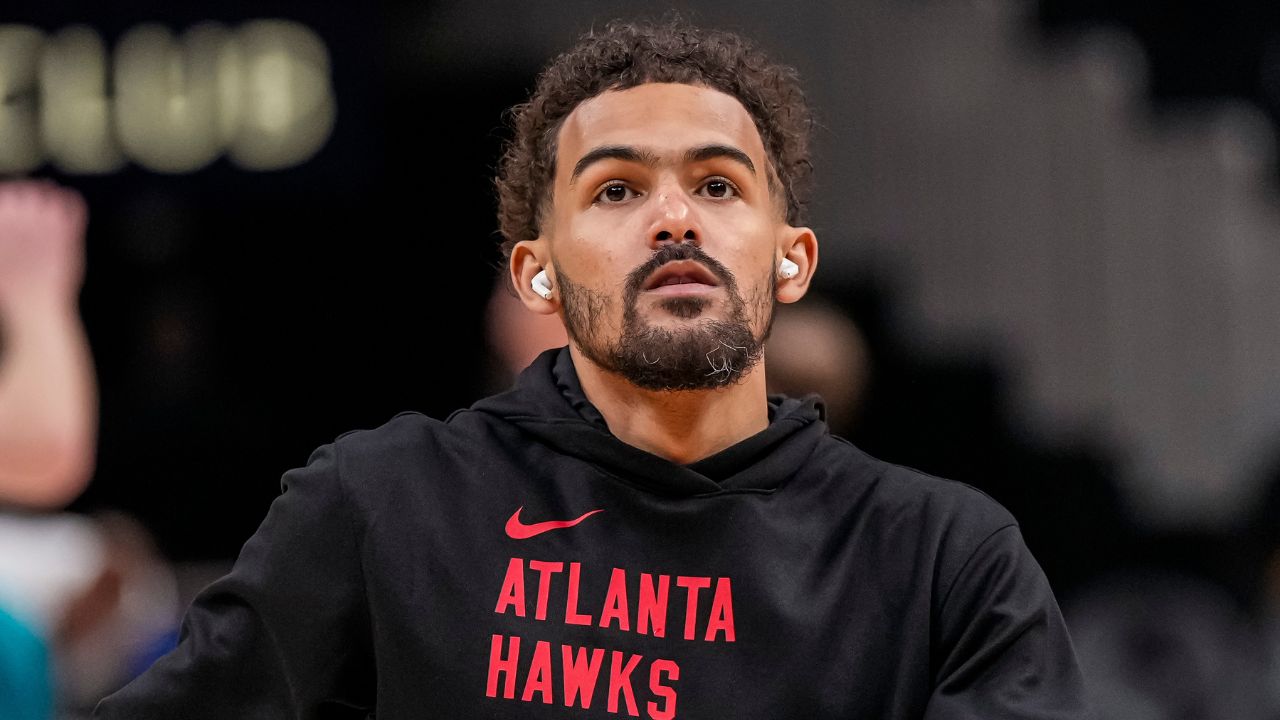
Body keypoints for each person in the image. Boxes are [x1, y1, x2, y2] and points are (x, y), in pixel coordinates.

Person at [95, 20, 1090, 719]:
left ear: (791, 259)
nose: (673, 217)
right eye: (615, 188)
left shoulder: (943, 562)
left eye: (716, 182)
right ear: (535, 274)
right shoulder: (382, 507)